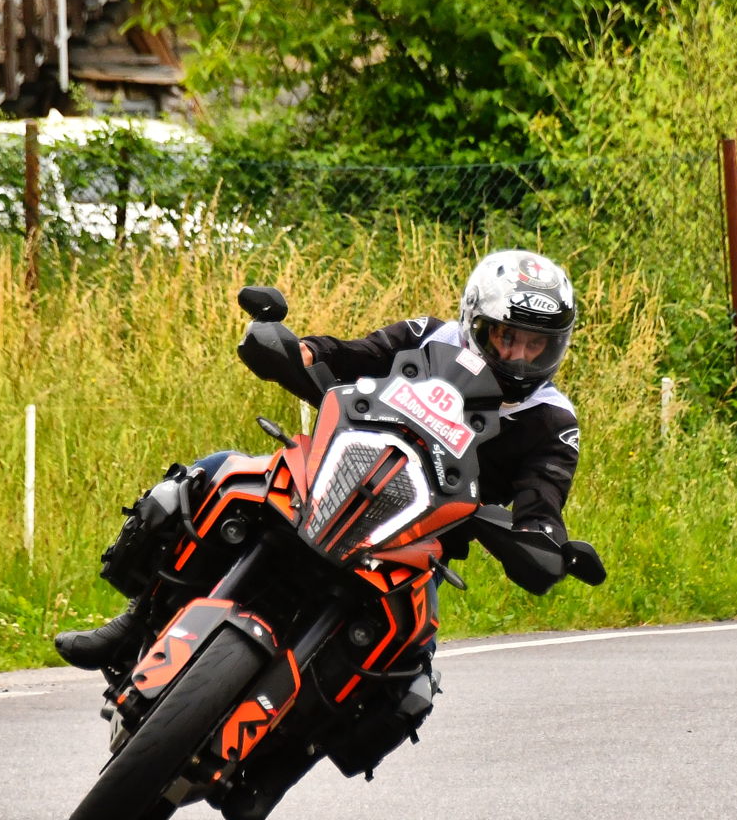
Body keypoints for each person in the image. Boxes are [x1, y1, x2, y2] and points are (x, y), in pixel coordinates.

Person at [53, 249, 582, 673]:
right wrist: (298, 351)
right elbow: (353, 355)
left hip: (415, 543)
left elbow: (544, 495)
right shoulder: (429, 337)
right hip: (337, 476)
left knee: (411, 661)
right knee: (219, 473)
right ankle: (138, 618)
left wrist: (542, 539)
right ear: (475, 323)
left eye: (536, 345)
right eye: (507, 337)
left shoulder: (553, 421)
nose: (519, 356)